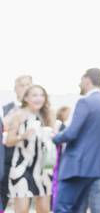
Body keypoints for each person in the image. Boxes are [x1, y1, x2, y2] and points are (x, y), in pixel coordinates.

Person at [52, 68, 100, 213]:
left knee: (62, 207)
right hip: (94, 168)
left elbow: (71, 133)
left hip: (76, 165)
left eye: (81, 81)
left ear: (87, 80)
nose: (79, 84)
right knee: (78, 209)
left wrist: (55, 137)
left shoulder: (85, 102)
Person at [4, 84, 56, 213]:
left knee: (44, 209)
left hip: (44, 167)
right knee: (22, 210)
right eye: (35, 95)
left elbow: (54, 138)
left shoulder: (48, 114)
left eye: (42, 95)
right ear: (26, 98)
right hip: (22, 167)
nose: (39, 98)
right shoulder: (18, 115)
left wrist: (52, 136)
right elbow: (9, 141)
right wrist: (23, 136)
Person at [3, 74, 34, 210]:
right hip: (6, 160)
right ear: (15, 89)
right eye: (22, 85)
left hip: (27, 164)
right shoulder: (6, 109)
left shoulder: (37, 111)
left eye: (28, 85)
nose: (25, 88)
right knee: (3, 197)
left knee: (23, 203)